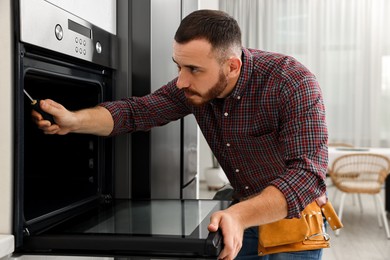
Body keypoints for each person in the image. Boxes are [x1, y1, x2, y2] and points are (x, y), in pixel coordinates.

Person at [33, 9, 328, 260]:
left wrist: (239, 216)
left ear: (232, 66)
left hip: (294, 219)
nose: (181, 81)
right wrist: (73, 120)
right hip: (239, 210)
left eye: (194, 69)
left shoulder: (291, 81)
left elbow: (306, 175)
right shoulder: (190, 88)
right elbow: (136, 112)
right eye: (178, 66)